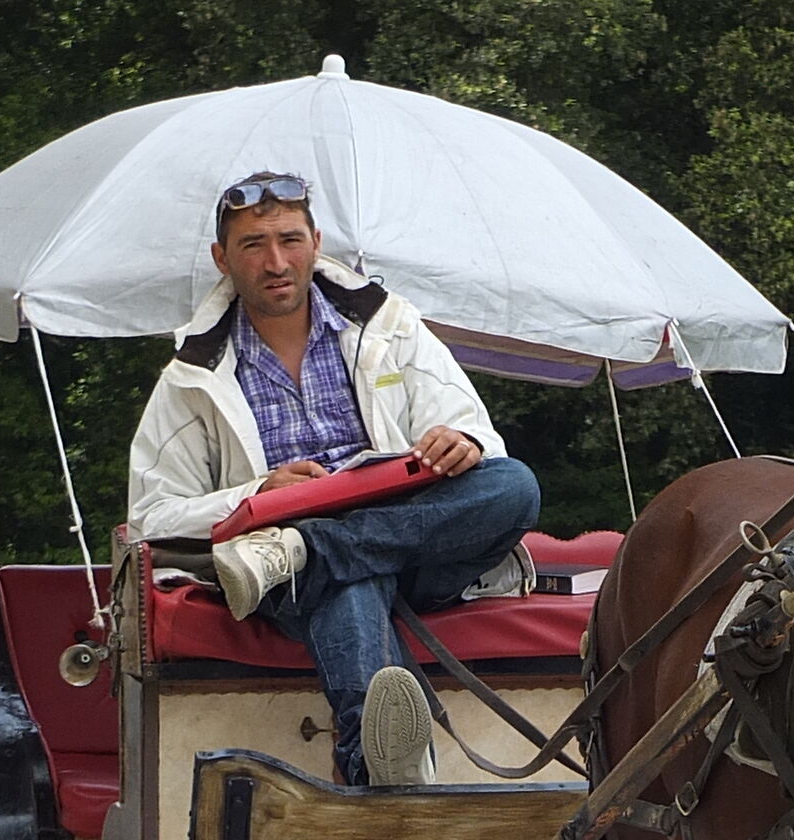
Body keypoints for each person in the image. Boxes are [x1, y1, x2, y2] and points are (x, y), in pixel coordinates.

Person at [127, 172, 541, 786]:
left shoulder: (392, 325)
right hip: (290, 573)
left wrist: (463, 443)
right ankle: (381, 765)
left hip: (401, 541)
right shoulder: (192, 376)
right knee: (346, 583)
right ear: (222, 258)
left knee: (514, 485)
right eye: (253, 245)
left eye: (290, 240)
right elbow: (151, 516)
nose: (276, 262)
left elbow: (474, 433)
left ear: (316, 241)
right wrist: (260, 494)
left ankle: (308, 551)